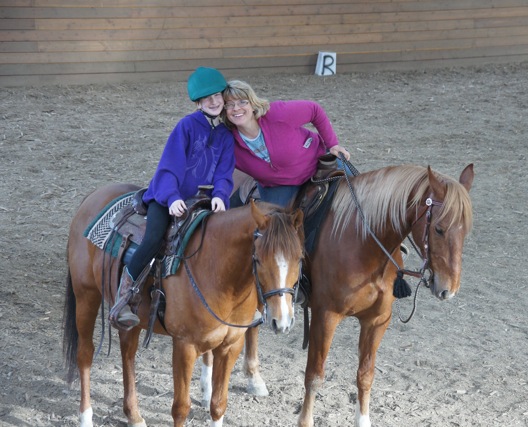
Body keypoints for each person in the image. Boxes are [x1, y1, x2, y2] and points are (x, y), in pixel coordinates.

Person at [109, 67, 235, 331]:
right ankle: (126, 296)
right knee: (154, 238)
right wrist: (172, 197)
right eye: (207, 98)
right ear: (198, 102)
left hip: (203, 200)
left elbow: (224, 173)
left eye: (217, 96)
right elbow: (169, 167)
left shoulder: (225, 135)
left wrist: (221, 196)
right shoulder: (186, 126)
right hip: (167, 197)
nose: (214, 102)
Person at [221, 80, 350, 207]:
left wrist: (332, 144)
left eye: (242, 102)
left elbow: (314, 110)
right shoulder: (227, 141)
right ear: (224, 110)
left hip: (318, 163)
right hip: (278, 186)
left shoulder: (277, 113)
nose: (236, 108)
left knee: (361, 196)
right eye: (229, 105)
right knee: (274, 225)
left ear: (252, 103)